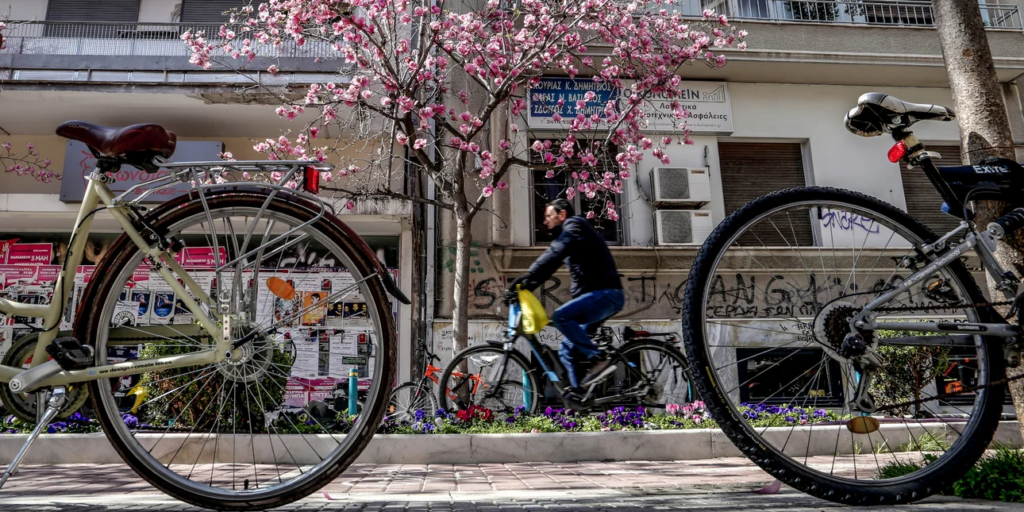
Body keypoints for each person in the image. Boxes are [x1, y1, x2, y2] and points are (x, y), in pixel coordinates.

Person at [510, 198, 625, 396]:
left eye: (548, 216)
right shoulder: (571, 236)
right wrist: (529, 283)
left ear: (561, 215)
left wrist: (529, 275)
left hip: (606, 295)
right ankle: (578, 399)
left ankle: (598, 358)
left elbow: (556, 251)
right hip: (598, 297)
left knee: (561, 316)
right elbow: (552, 263)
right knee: (566, 350)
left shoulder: (574, 225)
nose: (545, 222)